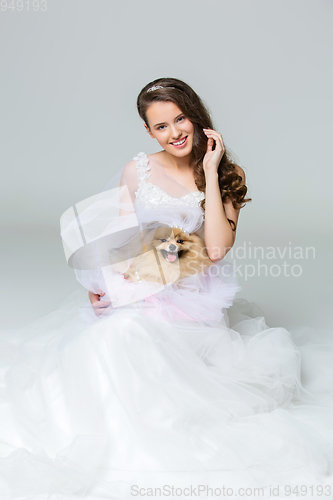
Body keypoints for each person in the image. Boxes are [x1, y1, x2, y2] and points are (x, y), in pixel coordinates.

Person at [0, 78, 332, 500]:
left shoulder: (228, 174)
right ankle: (105, 436)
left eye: (180, 119)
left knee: (132, 342)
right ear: (148, 131)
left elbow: (214, 249)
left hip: (194, 302)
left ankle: (147, 438)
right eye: (161, 126)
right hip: (140, 287)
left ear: (195, 116)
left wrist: (210, 173)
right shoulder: (137, 170)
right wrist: (103, 285)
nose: (174, 133)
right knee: (112, 337)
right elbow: (120, 242)